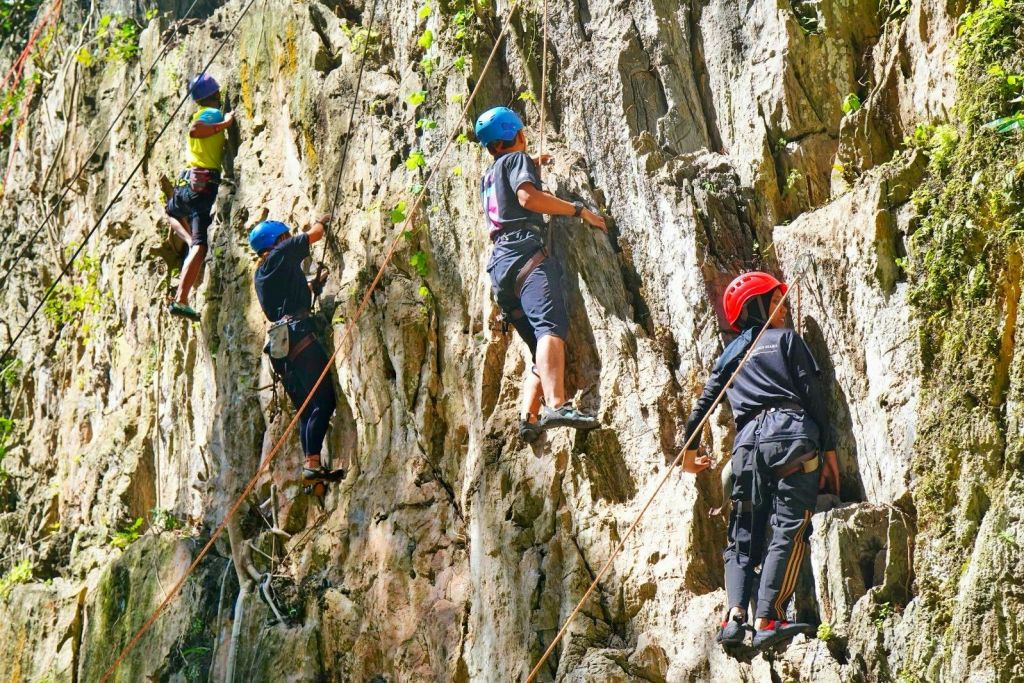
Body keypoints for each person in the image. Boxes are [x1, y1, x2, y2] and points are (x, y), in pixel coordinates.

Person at [679, 271, 840, 651]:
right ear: (760, 305)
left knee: (742, 536)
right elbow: (812, 395)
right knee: (788, 526)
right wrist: (829, 449)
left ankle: (735, 617)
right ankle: (769, 615)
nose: (782, 310)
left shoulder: (729, 356)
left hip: (747, 449)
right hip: (791, 440)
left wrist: (688, 452)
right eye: (775, 302)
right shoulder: (785, 339)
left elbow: (702, 407)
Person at [475, 106, 605, 443]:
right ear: (515, 134)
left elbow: (509, 198)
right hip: (524, 254)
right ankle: (557, 406)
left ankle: (529, 417)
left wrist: (531, 166)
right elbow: (527, 198)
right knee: (551, 327)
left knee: (538, 347)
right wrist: (579, 210)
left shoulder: (488, 176)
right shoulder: (515, 161)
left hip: (501, 266)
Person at [249, 215, 340, 482]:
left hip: (281, 346)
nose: (289, 238)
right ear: (278, 240)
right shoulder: (280, 253)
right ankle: (312, 463)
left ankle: (312, 465)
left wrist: (312, 286)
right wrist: (322, 221)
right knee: (323, 401)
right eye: (286, 235)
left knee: (307, 408)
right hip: (298, 336)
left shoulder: (262, 271)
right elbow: (316, 234)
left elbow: (285, 297)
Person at [165, 74, 235, 322]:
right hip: (201, 189)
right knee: (200, 245)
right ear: (216, 94)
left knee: (171, 212)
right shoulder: (212, 114)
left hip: (185, 185)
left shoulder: (198, 113)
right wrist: (225, 125)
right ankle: (181, 299)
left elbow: (195, 129)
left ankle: (189, 245)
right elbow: (197, 131)